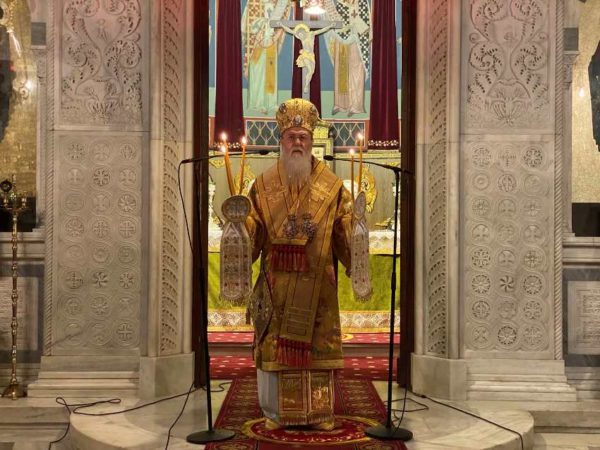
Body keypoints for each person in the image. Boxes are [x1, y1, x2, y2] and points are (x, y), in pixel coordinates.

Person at [245, 98, 353, 431]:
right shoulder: (262, 185)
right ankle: (275, 413)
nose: (297, 143)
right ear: (281, 140)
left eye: (303, 137)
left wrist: (356, 234)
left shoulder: (332, 187)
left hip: (318, 285)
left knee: (317, 348)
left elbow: (344, 229)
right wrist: (240, 226)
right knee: (277, 347)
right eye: (291, 137)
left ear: (311, 141)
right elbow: (254, 230)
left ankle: (320, 414)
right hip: (276, 285)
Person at [279, 23, 335, 94]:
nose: (300, 37)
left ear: (304, 32)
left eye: (301, 35)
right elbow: (290, 31)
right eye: (299, 36)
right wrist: (282, 25)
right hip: (305, 55)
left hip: (311, 56)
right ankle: (306, 86)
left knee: (311, 71)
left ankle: (306, 84)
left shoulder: (311, 34)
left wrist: (330, 26)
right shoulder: (300, 36)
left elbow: (322, 30)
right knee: (309, 69)